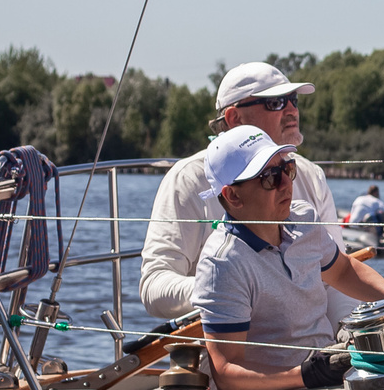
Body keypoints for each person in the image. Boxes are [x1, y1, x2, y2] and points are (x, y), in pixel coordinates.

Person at [193, 127, 384, 390]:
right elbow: (226, 373)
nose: (286, 183)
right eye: (269, 177)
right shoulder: (222, 263)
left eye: (287, 169)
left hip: (328, 381)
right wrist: (306, 375)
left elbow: (344, 272)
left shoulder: (302, 220)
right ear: (232, 195)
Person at [141, 62, 340, 322]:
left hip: (317, 350)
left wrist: (353, 344)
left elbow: (337, 276)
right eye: (276, 103)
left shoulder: (309, 175)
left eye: (293, 100)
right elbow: (154, 287)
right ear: (235, 118)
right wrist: (230, 286)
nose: (291, 110)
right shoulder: (188, 179)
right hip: (227, 350)